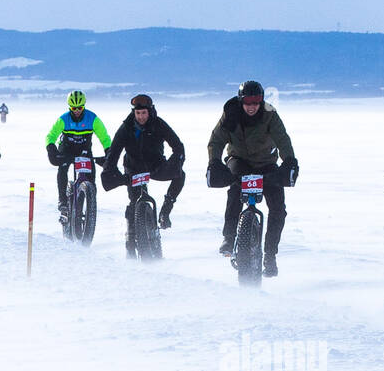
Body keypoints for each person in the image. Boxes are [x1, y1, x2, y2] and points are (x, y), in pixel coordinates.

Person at [205, 80, 299, 276]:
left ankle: (270, 255)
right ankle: (229, 238)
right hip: (238, 159)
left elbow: (283, 139)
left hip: (266, 163)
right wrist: (214, 161)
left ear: (261, 101)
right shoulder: (231, 112)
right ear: (241, 101)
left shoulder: (270, 114)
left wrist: (289, 160)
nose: (252, 106)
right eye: (248, 102)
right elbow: (216, 139)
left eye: (256, 102)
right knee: (235, 190)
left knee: (278, 208)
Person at [102, 94, 186, 256]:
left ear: (150, 112)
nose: (141, 117)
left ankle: (166, 210)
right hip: (133, 169)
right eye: (138, 113)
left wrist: (175, 162)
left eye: (144, 113)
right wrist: (112, 173)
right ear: (134, 113)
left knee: (180, 175)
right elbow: (113, 153)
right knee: (134, 202)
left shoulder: (158, 124)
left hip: (156, 166)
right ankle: (130, 239)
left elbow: (178, 146)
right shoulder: (126, 128)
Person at [45, 90, 112, 230]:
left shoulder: (92, 118)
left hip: (84, 150)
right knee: (62, 168)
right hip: (66, 149)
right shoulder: (63, 119)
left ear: (84, 106)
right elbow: (50, 136)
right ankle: (62, 200)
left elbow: (104, 138)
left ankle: (90, 202)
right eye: (74, 108)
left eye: (80, 108)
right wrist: (51, 150)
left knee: (91, 179)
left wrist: (108, 153)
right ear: (69, 107)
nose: (77, 111)